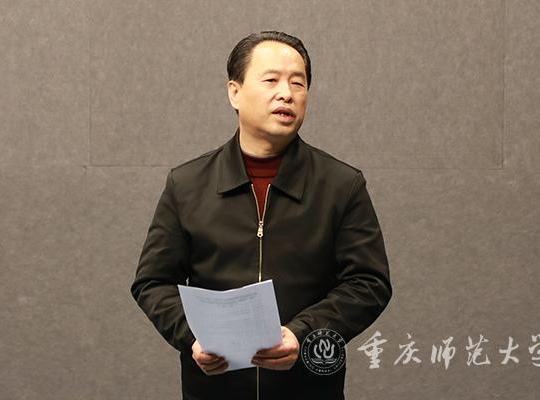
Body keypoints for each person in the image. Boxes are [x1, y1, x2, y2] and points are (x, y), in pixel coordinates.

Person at [130, 30, 392, 400]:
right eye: (271, 80)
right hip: (214, 388)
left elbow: (369, 283)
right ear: (234, 92)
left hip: (308, 388)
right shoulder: (186, 184)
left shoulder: (341, 185)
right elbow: (152, 282)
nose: (287, 94)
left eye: (298, 83)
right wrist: (194, 337)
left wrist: (303, 334)